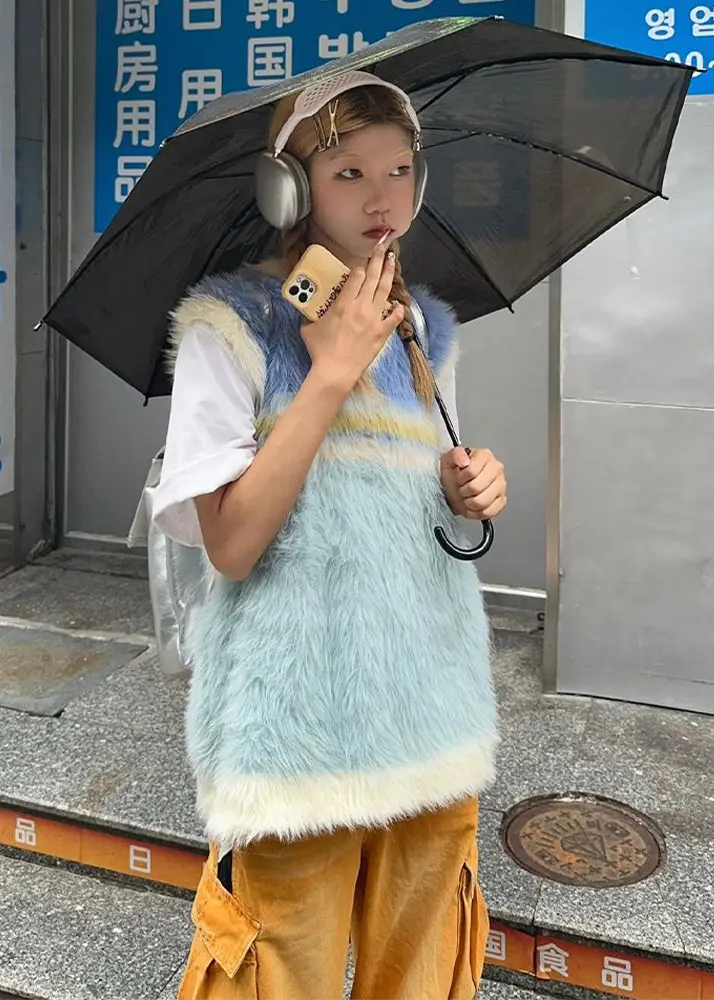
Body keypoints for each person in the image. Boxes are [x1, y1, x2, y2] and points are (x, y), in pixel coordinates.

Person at [151, 71, 507, 1000]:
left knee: (422, 974)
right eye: (348, 171)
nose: (384, 195)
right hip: (295, 738)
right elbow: (231, 545)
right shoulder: (227, 329)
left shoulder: (427, 329)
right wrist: (327, 375)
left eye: (400, 169)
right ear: (289, 189)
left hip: (431, 709)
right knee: (277, 972)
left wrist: (469, 489)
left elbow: (418, 493)